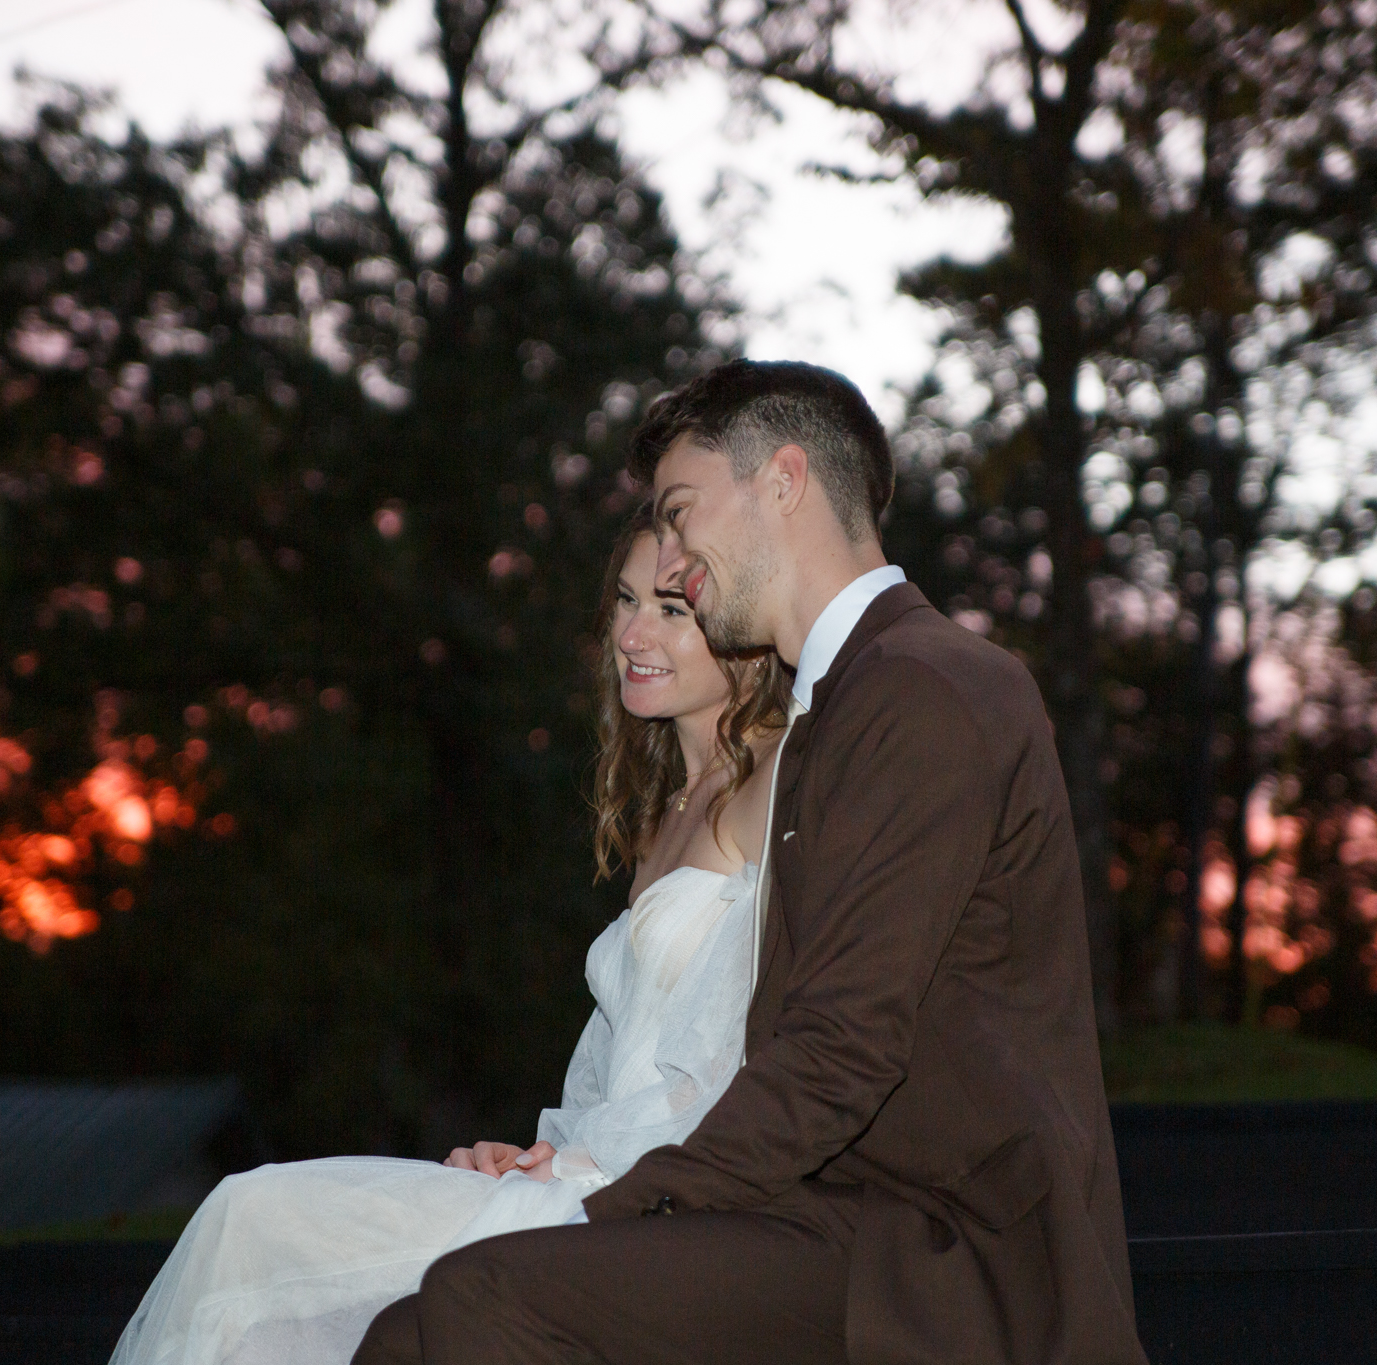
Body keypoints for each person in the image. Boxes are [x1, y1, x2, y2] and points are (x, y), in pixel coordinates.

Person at [355, 360, 1148, 1365]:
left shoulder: (925, 687)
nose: (672, 561)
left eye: (681, 516)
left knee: (483, 1295)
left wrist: (614, 1203)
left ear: (782, 481)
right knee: (402, 1337)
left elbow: (841, 1051)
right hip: (823, 1213)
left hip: (940, 1252)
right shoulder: (832, 714)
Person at [108, 508, 790, 1365]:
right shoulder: (665, 814)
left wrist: (578, 1168)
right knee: (247, 1230)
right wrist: (539, 1151)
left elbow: (737, 1059)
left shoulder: (773, 783)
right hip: (580, 1174)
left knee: (255, 1222)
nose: (631, 635)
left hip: (638, 1203)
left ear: (742, 629)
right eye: (624, 600)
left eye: (672, 609)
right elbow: (626, 1062)